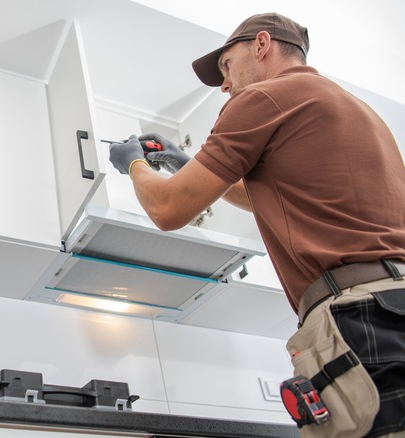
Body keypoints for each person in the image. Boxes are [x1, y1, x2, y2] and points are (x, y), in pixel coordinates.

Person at [108, 12, 405, 438]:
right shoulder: (359, 111)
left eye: (226, 66)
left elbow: (168, 209)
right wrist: (184, 162)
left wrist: (134, 163)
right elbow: (274, 197)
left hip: (360, 318)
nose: (224, 85)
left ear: (261, 45)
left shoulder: (263, 98)